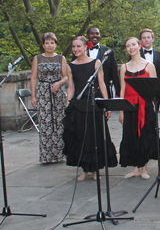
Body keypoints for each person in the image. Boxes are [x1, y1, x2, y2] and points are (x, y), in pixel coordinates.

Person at [63, 36, 118, 181]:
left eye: (78, 46)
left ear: (86, 47)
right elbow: (71, 87)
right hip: (79, 105)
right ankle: (84, 169)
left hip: (94, 103)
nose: (75, 49)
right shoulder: (70, 65)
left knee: (95, 137)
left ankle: (95, 170)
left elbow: (102, 84)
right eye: (74, 47)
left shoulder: (96, 62)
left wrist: (106, 105)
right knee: (81, 136)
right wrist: (68, 104)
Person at [119, 37, 160, 180]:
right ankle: (135, 168)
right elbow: (122, 91)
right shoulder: (124, 67)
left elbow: (154, 90)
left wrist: (154, 110)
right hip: (129, 106)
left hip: (145, 105)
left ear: (139, 46)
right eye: (127, 46)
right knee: (130, 135)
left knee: (144, 135)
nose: (130, 48)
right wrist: (121, 112)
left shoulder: (149, 65)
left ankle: (144, 168)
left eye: (133, 45)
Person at [30, 32, 68, 163]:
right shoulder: (37, 59)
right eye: (47, 43)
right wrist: (33, 96)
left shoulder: (61, 58)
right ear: (43, 45)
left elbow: (66, 76)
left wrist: (59, 83)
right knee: (45, 123)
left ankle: (60, 155)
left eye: (52, 42)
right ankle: (46, 156)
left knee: (59, 123)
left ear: (56, 44)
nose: (50, 45)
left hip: (57, 93)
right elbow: (34, 77)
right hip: (43, 93)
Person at [85, 26, 120, 98]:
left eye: (97, 33)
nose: (95, 35)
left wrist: (118, 92)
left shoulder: (109, 51)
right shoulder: (80, 52)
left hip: (104, 91)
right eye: (92, 33)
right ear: (87, 36)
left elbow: (114, 73)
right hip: (85, 92)